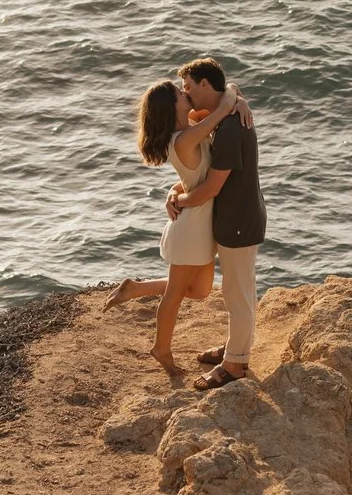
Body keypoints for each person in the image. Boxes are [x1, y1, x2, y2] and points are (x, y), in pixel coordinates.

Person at [105, 72, 250, 373]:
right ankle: (161, 349)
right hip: (190, 228)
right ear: (172, 108)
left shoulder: (191, 124)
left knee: (200, 291)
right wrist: (236, 101)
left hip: (201, 225)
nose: (186, 93)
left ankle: (135, 288)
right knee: (174, 296)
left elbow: (228, 92)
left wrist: (239, 97)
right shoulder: (183, 139)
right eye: (180, 93)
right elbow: (224, 106)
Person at [168, 57, 263, 390]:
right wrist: (235, 94)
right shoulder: (224, 115)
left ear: (205, 84)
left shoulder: (229, 128)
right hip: (239, 214)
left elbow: (211, 187)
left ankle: (235, 364)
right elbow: (229, 91)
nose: (185, 93)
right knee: (239, 290)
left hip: (238, 218)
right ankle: (236, 347)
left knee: (238, 295)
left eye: (188, 87)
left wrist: (178, 201)